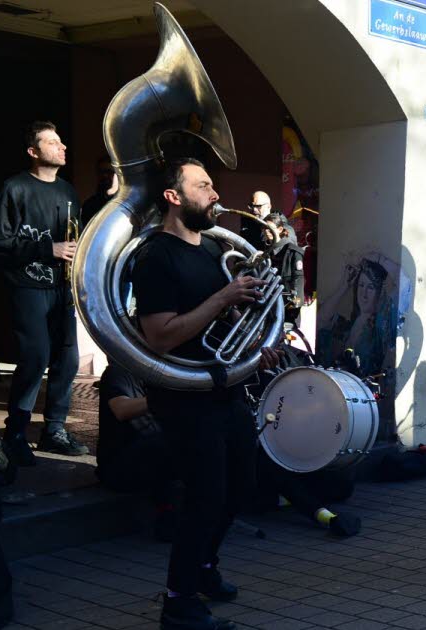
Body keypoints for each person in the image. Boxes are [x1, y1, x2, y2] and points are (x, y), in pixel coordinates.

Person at [131, 158, 283, 629]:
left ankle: (204, 569)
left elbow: (227, 320)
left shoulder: (211, 250)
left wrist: (256, 346)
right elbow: (160, 335)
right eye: (203, 186)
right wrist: (223, 297)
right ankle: (177, 602)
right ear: (173, 197)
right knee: (205, 495)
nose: (215, 193)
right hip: (183, 395)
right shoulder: (157, 256)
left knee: (242, 487)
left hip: (222, 386)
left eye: (213, 185)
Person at [0, 121, 89, 463]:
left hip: (62, 287)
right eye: (52, 142)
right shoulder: (14, 188)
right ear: (33, 152)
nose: (62, 147)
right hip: (28, 286)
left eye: (61, 141)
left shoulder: (68, 191)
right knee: (35, 357)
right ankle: (15, 432)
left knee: (68, 359)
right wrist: (50, 249)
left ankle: (54, 430)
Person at [95, 363, 178, 542]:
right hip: (119, 466)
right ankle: (167, 516)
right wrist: (169, 398)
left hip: (153, 459)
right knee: (163, 444)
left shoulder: (170, 372)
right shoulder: (119, 371)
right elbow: (121, 409)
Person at [264, 214, 305, 329]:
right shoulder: (265, 252)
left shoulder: (293, 252)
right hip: (268, 306)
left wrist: (294, 305)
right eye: (264, 228)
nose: (266, 231)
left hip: (287, 307)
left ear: (280, 229)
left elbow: (298, 279)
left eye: (270, 228)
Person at [80, 156, 118, 227]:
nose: (104, 175)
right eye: (101, 172)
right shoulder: (89, 205)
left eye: (109, 171)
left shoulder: (126, 202)